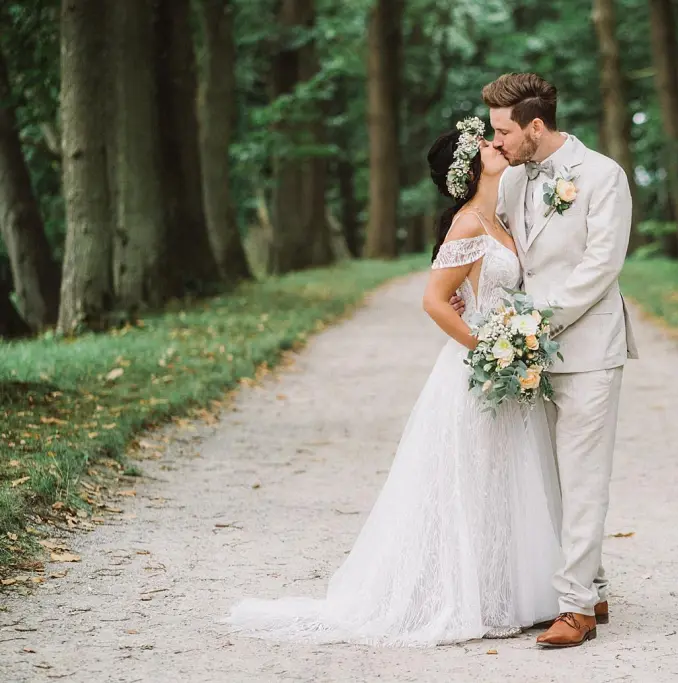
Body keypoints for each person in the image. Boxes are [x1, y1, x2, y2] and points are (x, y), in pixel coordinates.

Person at [225, 118, 564, 646]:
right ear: (467, 169)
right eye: (486, 144)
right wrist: (491, 352)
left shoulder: (499, 219)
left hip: (507, 368)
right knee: (469, 481)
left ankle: (505, 590)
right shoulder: (468, 224)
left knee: (503, 479)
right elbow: (434, 300)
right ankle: (460, 593)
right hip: (479, 372)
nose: (498, 145)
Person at [453, 73, 638, 648]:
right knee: (550, 478)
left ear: (537, 126)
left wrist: (536, 324)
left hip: (585, 349)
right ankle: (594, 586)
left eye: (504, 130)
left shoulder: (604, 176)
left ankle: (577, 608)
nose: (497, 141)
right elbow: (506, 249)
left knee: (583, 479)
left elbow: (601, 267)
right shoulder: (511, 180)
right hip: (528, 356)